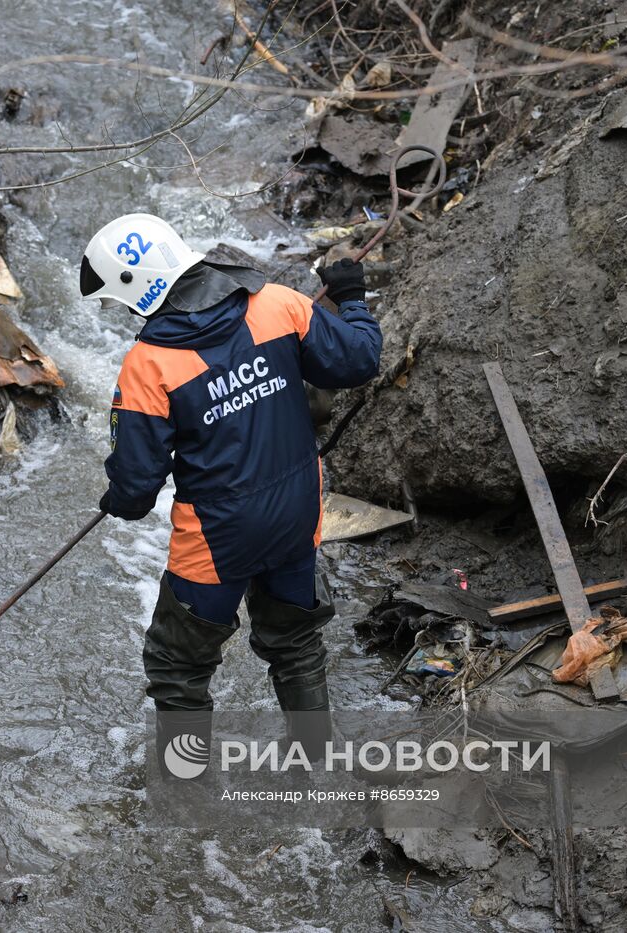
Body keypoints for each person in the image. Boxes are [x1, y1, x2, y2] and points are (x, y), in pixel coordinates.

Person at [79, 213, 383, 770]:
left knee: (177, 668)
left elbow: (136, 491)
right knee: (296, 644)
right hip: (297, 514)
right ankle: (315, 767)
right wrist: (352, 297)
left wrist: (114, 496)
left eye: (116, 300)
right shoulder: (280, 304)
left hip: (218, 540)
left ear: (133, 288)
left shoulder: (148, 365)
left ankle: (185, 794)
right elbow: (359, 359)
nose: (119, 312)